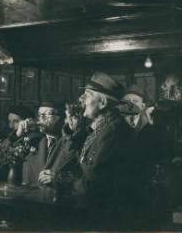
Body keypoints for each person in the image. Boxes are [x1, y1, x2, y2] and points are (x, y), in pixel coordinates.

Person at [73, 72, 134, 209]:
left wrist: (63, 181)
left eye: (87, 95)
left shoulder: (112, 132)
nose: (81, 99)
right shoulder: (102, 128)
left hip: (104, 212)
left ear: (103, 103)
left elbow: (95, 184)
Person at [19, 101, 80, 186]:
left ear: (64, 118)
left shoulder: (71, 141)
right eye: (40, 114)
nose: (42, 118)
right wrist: (18, 135)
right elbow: (6, 156)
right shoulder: (34, 141)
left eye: (48, 114)